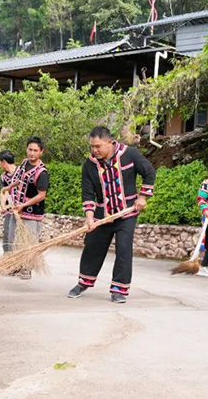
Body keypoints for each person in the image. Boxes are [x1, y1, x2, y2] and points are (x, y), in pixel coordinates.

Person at [67, 126, 156, 304]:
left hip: (127, 213)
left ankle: (119, 289)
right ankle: (83, 282)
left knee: (124, 249)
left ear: (109, 142)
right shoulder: (89, 165)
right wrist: (90, 217)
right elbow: (88, 194)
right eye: (92, 146)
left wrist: (143, 197)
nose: (95, 150)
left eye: (98, 146)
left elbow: (149, 172)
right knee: (92, 246)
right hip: (102, 214)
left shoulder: (130, 154)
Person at [8, 137, 49, 280]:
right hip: (18, 209)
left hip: (32, 212)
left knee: (29, 241)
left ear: (41, 152)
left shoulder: (42, 172)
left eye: (35, 150)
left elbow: (42, 195)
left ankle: (27, 269)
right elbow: (20, 180)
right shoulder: (24, 164)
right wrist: (9, 187)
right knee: (15, 239)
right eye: (30, 149)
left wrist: (24, 205)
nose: (32, 153)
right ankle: (16, 266)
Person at [0, 149, 18, 254]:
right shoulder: (4, 177)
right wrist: (2, 205)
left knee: (17, 237)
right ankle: (7, 259)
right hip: (9, 211)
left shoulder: (21, 172)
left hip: (22, 210)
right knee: (7, 236)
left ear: (4, 162)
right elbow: (3, 191)